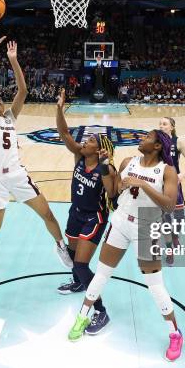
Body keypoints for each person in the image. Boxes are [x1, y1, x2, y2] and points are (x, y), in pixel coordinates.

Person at [67, 130, 184, 362]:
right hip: (120, 222)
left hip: (146, 226)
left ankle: (175, 333)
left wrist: (143, 184)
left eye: (147, 137)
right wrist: (103, 167)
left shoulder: (168, 171)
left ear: (158, 146)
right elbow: (112, 192)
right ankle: (82, 316)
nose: (141, 139)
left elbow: (169, 205)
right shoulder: (127, 162)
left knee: (155, 285)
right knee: (101, 274)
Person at [0, 23, 72, 298]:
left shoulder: (9, 118)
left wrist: (15, 61)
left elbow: (23, 90)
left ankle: (60, 245)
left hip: (17, 174)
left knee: (48, 213)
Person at [55, 88, 116, 333]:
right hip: (75, 212)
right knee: (71, 254)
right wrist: (59, 108)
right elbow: (63, 133)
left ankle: (101, 311)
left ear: (99, 148)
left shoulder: (106, 169)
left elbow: (113, 195)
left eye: (90, 141)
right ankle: (80, 284)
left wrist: (104, 166)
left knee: (81, 263)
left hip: (95, 217)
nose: (85, 141)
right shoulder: (79, 157)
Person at [158, 117, 185, 266]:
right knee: (164, 219)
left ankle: (175, 236)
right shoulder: (155, 143)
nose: (161, 126)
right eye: (160, 124)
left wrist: (182, 174)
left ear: (171, 127)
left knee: (179, 217)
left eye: (164, 124)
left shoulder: (177, 142)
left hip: (174, 184)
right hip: (160, 184)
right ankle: (169, 250)